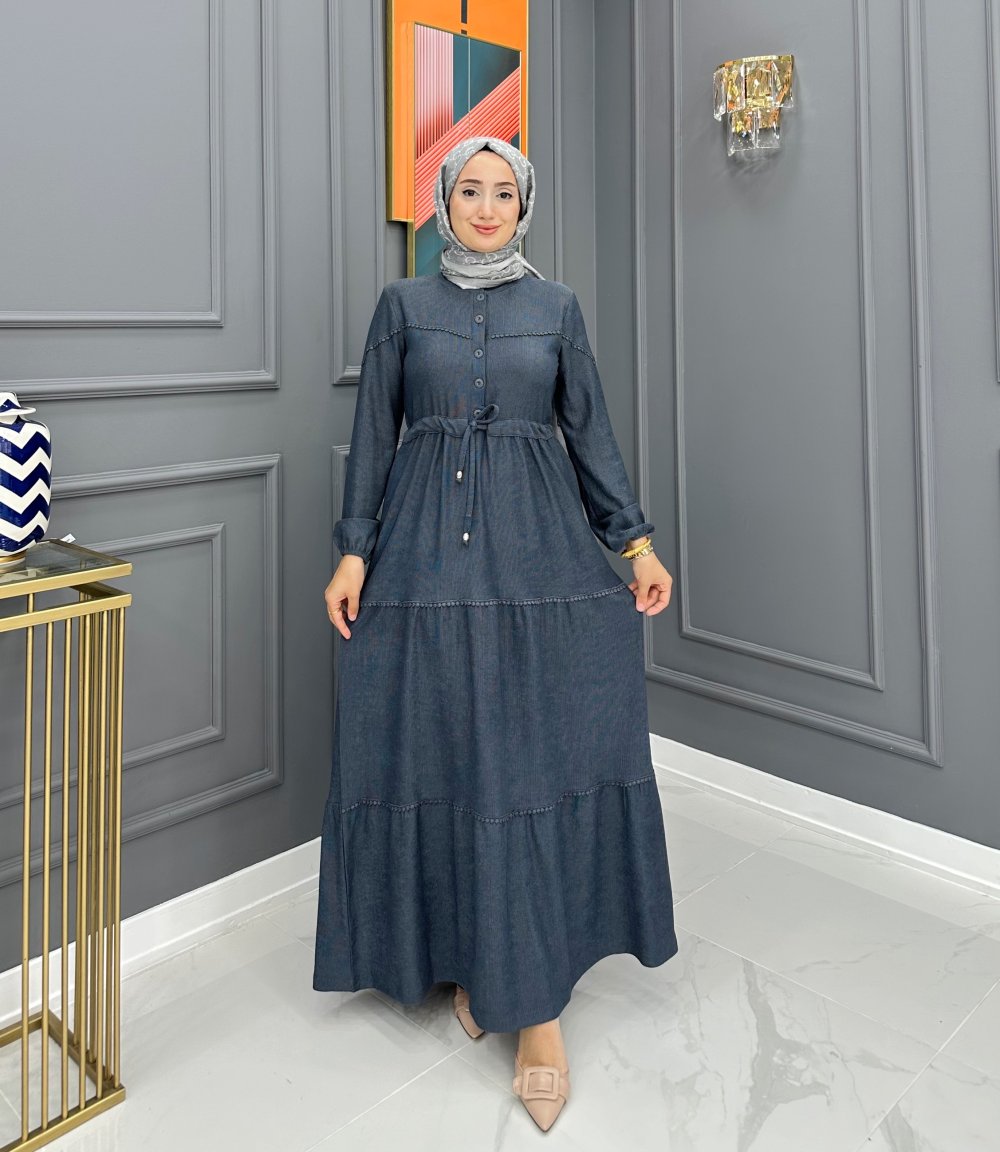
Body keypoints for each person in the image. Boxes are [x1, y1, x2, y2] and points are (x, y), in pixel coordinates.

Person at [314, 135, 678, 1132]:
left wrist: (636, 545)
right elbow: (374, 436)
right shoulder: (402, 307)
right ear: (443, 203)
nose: (485, 206)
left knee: (524, 766)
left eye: (503, 192)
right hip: (422, 563)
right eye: (468, 190)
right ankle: (474, 959)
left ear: (525, 207)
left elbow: (589, 432)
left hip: (538, 559)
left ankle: (536, 1011)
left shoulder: (556, 308)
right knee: (446, 756)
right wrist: (353, 553)